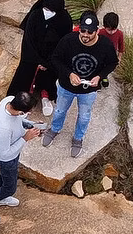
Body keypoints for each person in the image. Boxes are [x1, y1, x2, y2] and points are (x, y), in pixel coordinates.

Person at [41, 9, 119, 155]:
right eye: (83, 31)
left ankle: (78, 138)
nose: (85, 35)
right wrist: (69, 74)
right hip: (66, 86)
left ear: (96, 31)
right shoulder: (68, 40)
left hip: (88, 90)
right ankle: (54, 129)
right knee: (59, 111)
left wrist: (100, 76)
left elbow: (112, 63)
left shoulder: (105, 45)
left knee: (84, 117)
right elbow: (55, 59)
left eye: (89, 32)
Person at [8, 0, 71, 116]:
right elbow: (28, 41)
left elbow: (62, 44)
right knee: (24, 74)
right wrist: (38, 61)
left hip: (51, 58)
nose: (47, 11)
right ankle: (17, 100)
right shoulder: (35, 15)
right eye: (46, 8)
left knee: (50, 75)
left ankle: (45, 96)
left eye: (51, 10)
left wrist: (47, 62)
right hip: (32, 55)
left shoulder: (65, 21)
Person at [0, 92, 37, 224]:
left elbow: (18, 120)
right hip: (6, 158)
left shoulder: (8, 100)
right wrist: (25, 138)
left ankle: (1, 198)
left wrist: (29, 124)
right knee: (10, 188)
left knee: (4, 176)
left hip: (11, 152)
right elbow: (5, 153)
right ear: (19, 110)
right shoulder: (3, 129)